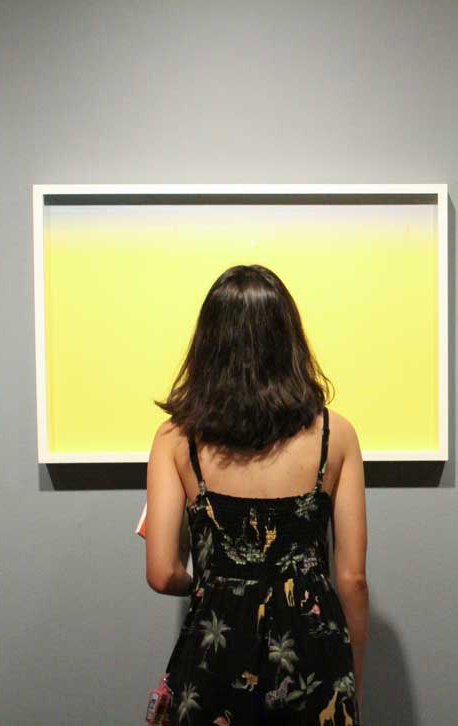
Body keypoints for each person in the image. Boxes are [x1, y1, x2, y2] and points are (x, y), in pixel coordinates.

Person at [145, 264, 368, 725]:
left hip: (214, 660)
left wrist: (213, 584)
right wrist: (350, 682)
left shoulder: (176, 439)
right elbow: (352, 580)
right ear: (289, 340)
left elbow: (163, 572)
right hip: (312, 659)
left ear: (208, 345)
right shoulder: (335, 435)